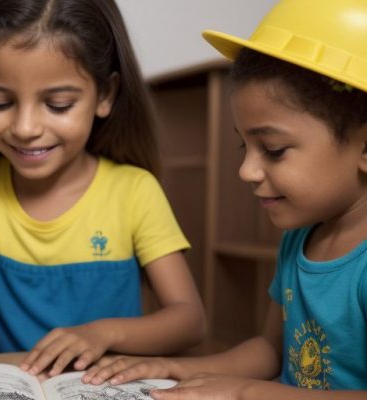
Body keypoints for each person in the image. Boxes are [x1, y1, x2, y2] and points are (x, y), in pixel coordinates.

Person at [82, 0, 367, 397]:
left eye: (273, 149)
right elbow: (270, 349)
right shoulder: (299, 240)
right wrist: (172, 366)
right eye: (243, 147)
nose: (246, 171)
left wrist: (244, 393)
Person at [0, 0, 207, 384]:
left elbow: (189, 320)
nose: (25, 127)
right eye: (0, 102)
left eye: (57, 104)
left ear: (105, 95)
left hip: (101, 387)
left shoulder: (135, 191)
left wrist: (102, 334)